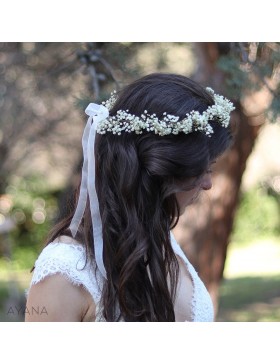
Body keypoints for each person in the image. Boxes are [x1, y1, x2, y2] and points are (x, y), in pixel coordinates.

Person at [25, 73, 235, 322]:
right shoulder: (65, 271)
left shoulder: (160, 240)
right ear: (160, 170)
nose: (208, 184)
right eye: (202, 170)